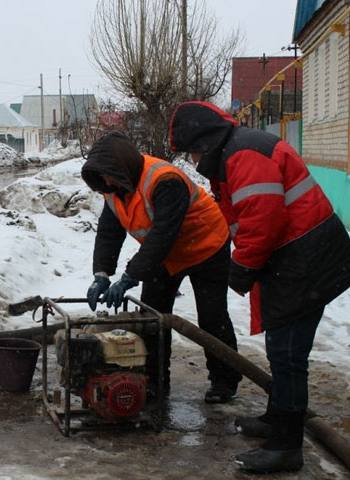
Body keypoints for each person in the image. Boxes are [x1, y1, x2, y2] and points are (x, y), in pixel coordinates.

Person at [169, 101, 350, 473]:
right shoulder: (237, 151)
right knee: (282, 348)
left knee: (288, 355)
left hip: (306, 261)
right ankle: (278, 418)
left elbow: (263, 219)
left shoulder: (244, 155)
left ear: (206, 142)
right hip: (296, 259)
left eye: (192, 150)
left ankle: (287, 445)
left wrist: (241, 270)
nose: (192, 159)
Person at [81, 131, 242, 404]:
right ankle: (155, 381)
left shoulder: (164, 180)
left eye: (108, 175)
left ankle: (224, 381)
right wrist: (102, 274)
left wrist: (129, 277)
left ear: (122, 168)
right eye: (102, 178)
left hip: (205, 247)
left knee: (212, 317)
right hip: (164, 257)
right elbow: (109, 233)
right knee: (153, 318)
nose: (105, 182)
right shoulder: (113, 189)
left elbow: (162, 236)